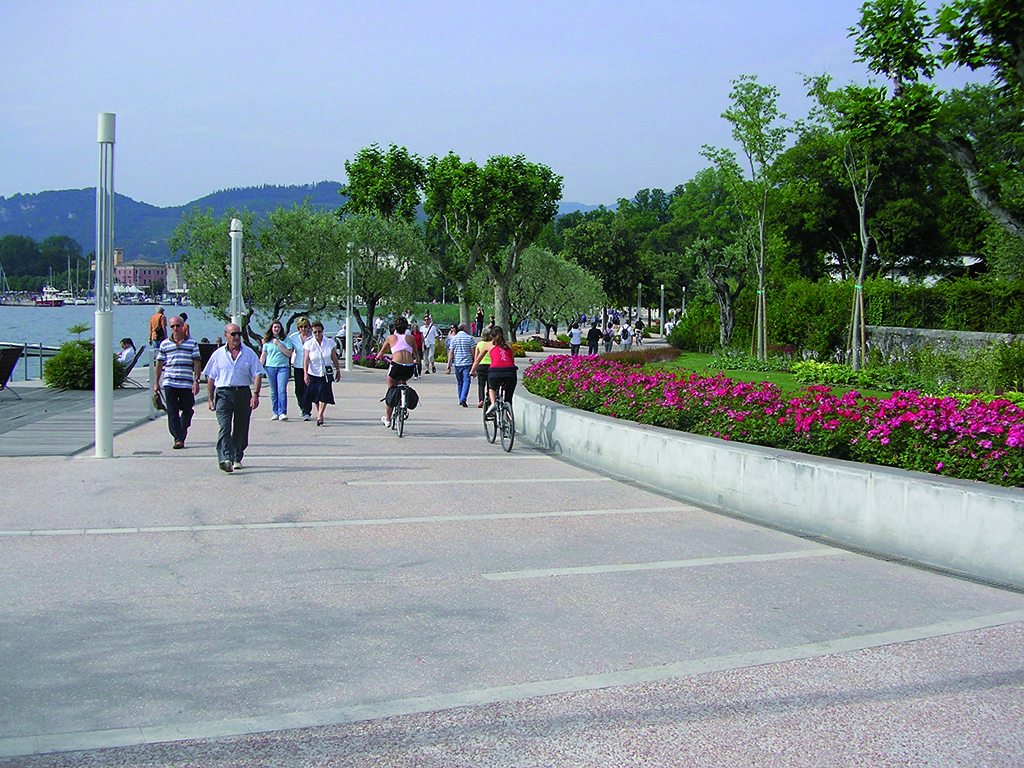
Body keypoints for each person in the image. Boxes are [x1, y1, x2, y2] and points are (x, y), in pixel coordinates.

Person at [204, 323, 264, 473]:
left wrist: (256, 394)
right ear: (226, 335)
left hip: (243, 393)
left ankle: (237, 456)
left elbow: (257, 374)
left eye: (238, 334)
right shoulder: (218, 355)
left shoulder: (249, 353)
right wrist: (210, 399)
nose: (237, 337)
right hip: (224, 394)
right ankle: (225, 459)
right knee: (224, 426)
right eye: (233, 334)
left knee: (241, 428)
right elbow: (210, 377)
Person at [154, 317, 201, 450]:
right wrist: (156, 382)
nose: (175, 329)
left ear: (183, 326)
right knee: (172, 411)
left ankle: (182, 429)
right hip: (170, 381)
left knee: (188, 408)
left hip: (186, 382)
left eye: (178, 326)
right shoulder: (164, 344)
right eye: (173, 326)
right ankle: (178, 438)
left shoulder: (192, 343)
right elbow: (159, 363)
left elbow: (197, 362)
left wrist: (196, 381)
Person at [377, 316, 419, 427]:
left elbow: (382, 351)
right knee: (403, 381)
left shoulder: (391, 338)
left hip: (396, 366)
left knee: (391, 389)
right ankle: (403, 402)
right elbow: (416, 353)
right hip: (409, 367)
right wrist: (417, 360)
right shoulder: (411, 338)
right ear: (406, 328)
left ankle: (388, 419)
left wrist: (378, 357)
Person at [470, 325, 517, 414]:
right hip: (510, 372)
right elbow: (512, 360)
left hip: (495, 371)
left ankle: (493, 404)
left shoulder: (489, 345)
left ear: (491, 336)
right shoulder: (508, 345)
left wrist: (472, 371)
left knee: (491, 387)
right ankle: (509, 419)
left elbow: (477, 360)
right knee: (508, 398)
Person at [259, 319, 300, 421]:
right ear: (271, 329)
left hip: (283, 367)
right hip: (270, 367)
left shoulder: (286, 339)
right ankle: (275, 412)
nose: (276, 329)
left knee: (281, 390)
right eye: (274, 327)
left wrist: (278, 344)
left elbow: (289, 353)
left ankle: (282, 412)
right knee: (273, 391)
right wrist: (259, 367)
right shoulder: (267, 341)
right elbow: (264, 355)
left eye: (278, 327)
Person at [303, 321, 341, 427]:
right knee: (316, 395)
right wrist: (305, 374)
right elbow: (306, 360)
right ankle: (320, 412)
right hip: (313, 372)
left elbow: (334, 357)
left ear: (322, 331)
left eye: (319, 332)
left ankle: (320, 415)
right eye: (315, 332)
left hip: (326, 372)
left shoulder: (329, 342)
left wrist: (338, 370)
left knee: (324, 394)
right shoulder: (309, 343)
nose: (317, 334)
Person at [288, 318, 314, 421]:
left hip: (310, 367)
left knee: (308, 389)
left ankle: (307, 411)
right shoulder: (293, 337)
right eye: (301, 327)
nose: (303, 329)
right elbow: (289, 350)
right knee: (298, 389)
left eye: (305, 327)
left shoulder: (312, 338)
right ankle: (301, 406)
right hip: (298, 366)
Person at [446, 322, 476, 407]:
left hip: (457, 363)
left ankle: (460, 398)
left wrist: (448, 364)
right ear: (465, 329)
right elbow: (473, 352)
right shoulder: (470, 338)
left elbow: (451, 352)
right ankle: (463, 398)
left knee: (460, 382)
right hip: (467, 362)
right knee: (466, 381)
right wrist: (474, 363)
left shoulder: (454, 339)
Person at [472, 328, 492, 408]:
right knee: (490, 385)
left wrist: (473, 369)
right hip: (491, 366)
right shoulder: (492, 344)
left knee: (481, 384)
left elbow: (476, 358)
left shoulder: (479, 344)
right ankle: (489, 399)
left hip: (481, 366)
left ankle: (481, 400)